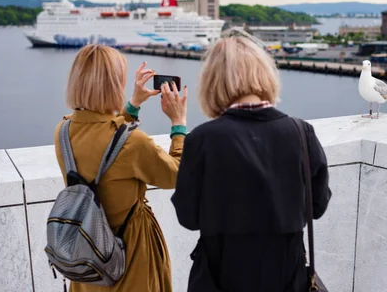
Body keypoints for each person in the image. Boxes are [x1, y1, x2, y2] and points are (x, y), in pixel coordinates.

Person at [171, 34, 332, 292]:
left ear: (213, 82)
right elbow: (317, 206)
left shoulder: (202, 140)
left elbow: (188, 217)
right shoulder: (302, 133)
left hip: (220, 277)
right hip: (285, 276)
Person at [53, 44, 188, 292]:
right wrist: (178, 125)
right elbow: (177, 174)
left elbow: (107, 145)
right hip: (129, 258)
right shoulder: (134, 143)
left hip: (87, 256)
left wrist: (133, 105)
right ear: (113, 85)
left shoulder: (63, 131)